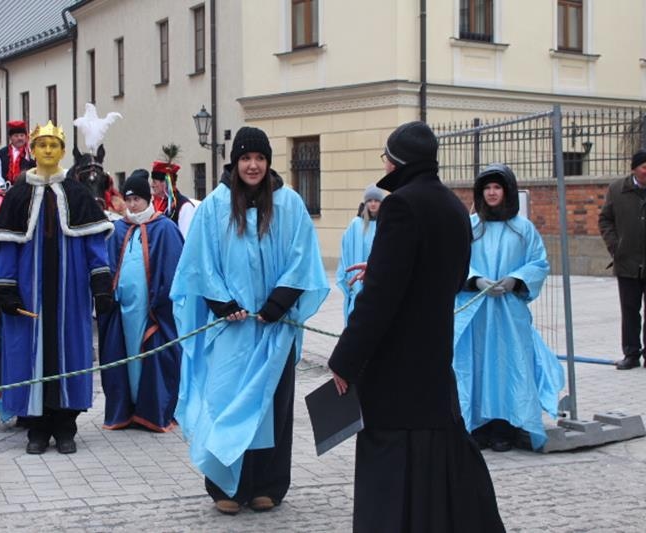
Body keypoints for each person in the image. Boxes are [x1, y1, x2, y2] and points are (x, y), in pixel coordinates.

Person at [327, 122, 505, 532]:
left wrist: (344, 360)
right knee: (432, 460)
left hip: (395, 368)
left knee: (390, 469)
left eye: (386, 158)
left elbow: (379, 300)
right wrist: (382, 267)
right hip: (434, 358)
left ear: (398, 162)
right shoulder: (454, 207)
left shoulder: (401, 205)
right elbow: (452, 276)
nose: (384, 165)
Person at [171, 126, 329, 515]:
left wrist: (279, 302)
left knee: (273, 406)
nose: (253, 165)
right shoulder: (215, 206)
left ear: (268, 162)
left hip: (276, 328)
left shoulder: (289, 203)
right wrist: (223, 303)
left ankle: (268, 484)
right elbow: (199, 262)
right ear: (235, 162)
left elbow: (302, 257)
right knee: (225, 402)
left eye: (259, 158)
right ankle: (226, 484)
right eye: (245, 158)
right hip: (232, 330)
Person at [0, 120, 114, 454]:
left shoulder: (77, 192)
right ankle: (37, 429)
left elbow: (94, 243)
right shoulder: (18, 194)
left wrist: (101, 284)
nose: (48, 150)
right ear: (33, 150)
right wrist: (6, 287)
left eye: (54, 145)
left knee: (71, 354)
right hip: (29, 296)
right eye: (42, 145)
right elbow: (7, 244)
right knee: (27, 356)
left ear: (63, 151)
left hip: (70, 294)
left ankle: (66, 427)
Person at [453, 164, 565, 453]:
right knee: (477, 366)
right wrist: (475, 279)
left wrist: (516, 279)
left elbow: (538, 262)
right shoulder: (470, 227)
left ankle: (505, 427)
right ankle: (478, 426)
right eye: (487, 188)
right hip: (477, 313)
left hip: (508, 312)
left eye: (497, 187)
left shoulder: (523, 229)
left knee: (508, 366)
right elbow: (455, 260)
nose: (492, 193)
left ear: (507, 191)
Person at [97, 170, 184, 432]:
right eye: (129, 199)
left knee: (154, 357)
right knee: (122, 358)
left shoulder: (164, 228)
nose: (133, 205)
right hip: (122, 313)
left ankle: (152, 410)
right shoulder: (117, 230)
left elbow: (174, 268)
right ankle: (126, 409)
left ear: (148, 200)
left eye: (137, 199)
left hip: (152, 312)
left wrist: (161, 300)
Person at [599, 149, 646, 370]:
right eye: (644, 167)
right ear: (634, 168)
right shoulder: (617, 189)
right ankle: (631, 354)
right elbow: (605, 219)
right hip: (627, 261)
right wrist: (615, 247)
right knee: (629, 311)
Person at [335, 184, 388, 324]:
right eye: (370, 200)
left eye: (376, 200)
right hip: (358, 282)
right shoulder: (356, 224)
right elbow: (346, 250)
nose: (373, 204)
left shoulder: (386, 224)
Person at [151, 161, 196, 237]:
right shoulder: (156, 204)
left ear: (165, 183)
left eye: (154, 182)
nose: (151, 185)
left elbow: (186, 238)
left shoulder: (184, 206)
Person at [0, 120, 35, 188]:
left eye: (22, 135)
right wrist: (3, 186)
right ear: (10, 138)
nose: (19, 138)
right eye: (16, 136)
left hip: (26, 190)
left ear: (26, 137)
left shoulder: (32, 153)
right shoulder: (2, 153)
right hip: (5, 190)